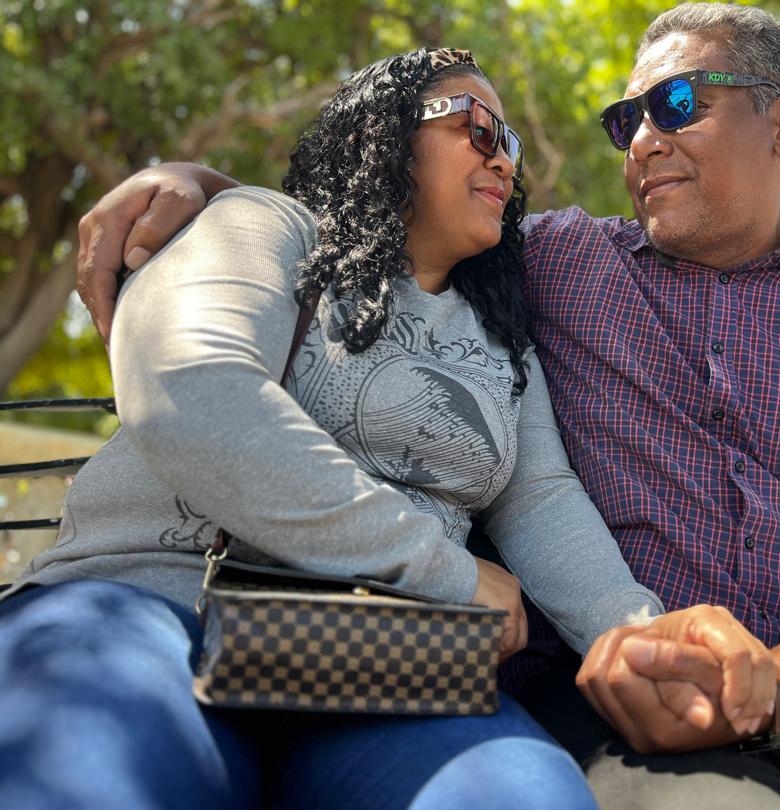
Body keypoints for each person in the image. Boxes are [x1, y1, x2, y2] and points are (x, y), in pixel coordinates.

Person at [72, 3, 780, 809]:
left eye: (676, 101)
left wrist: (773, 679)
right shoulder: (556, 259)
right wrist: (199, 188)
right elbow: (363, 224)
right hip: (628, 717)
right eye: (624, 120)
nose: (642, 139)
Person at [0, 46, 673, 810]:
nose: (503, 161)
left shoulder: (504, 337)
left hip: (380, 665)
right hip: (150, 608)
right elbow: (193, 390)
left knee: (523, 799)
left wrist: (641, 641)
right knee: (87, 776)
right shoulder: (266, 226)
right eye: (479, 126)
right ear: (386, 135)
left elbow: (541, 501)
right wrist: (444, 571)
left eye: (511, 144)